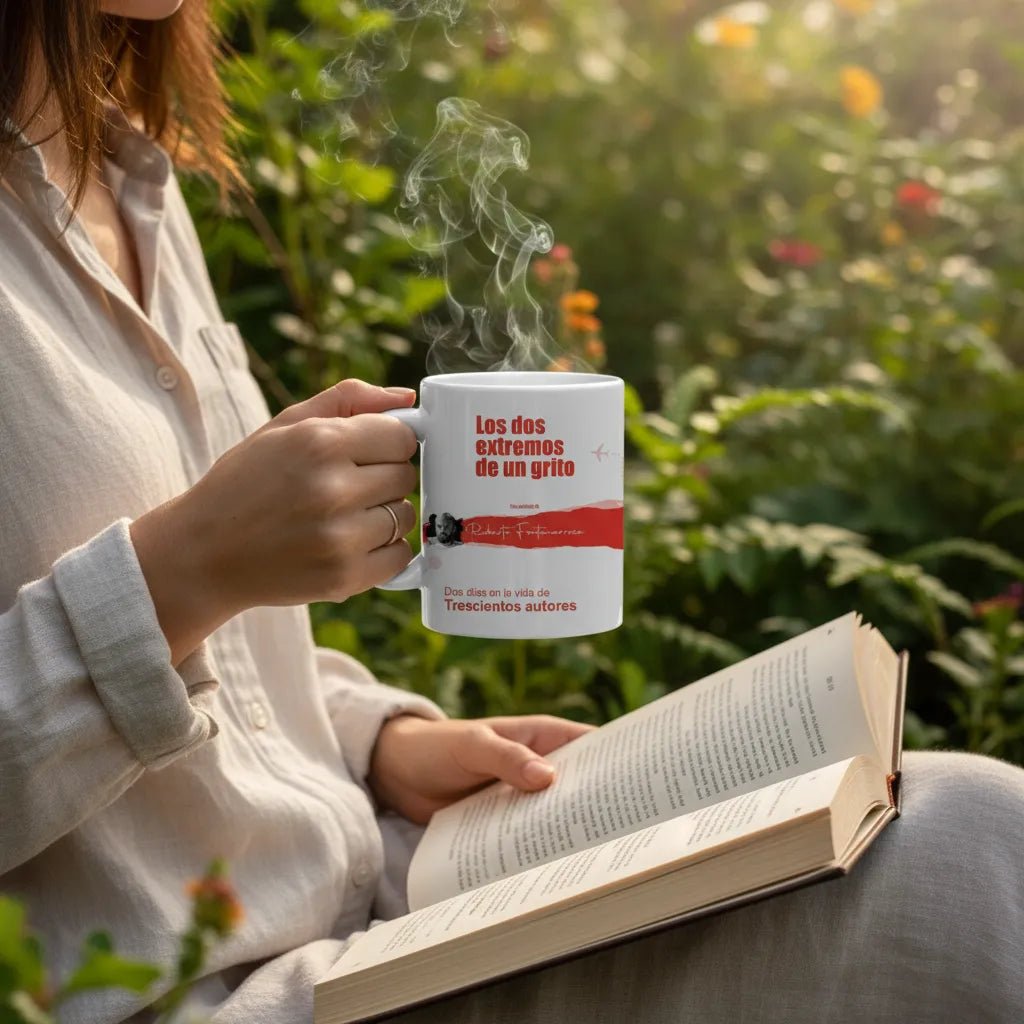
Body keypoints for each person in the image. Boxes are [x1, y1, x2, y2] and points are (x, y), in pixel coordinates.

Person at [0, 3, 1021, 1024]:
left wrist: (374, 742)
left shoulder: (125, 169)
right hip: (188, 990)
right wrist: (181, 573)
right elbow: (174, 583)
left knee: (963, 817)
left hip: (372, 885)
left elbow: (203, 649)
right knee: (959, 875)